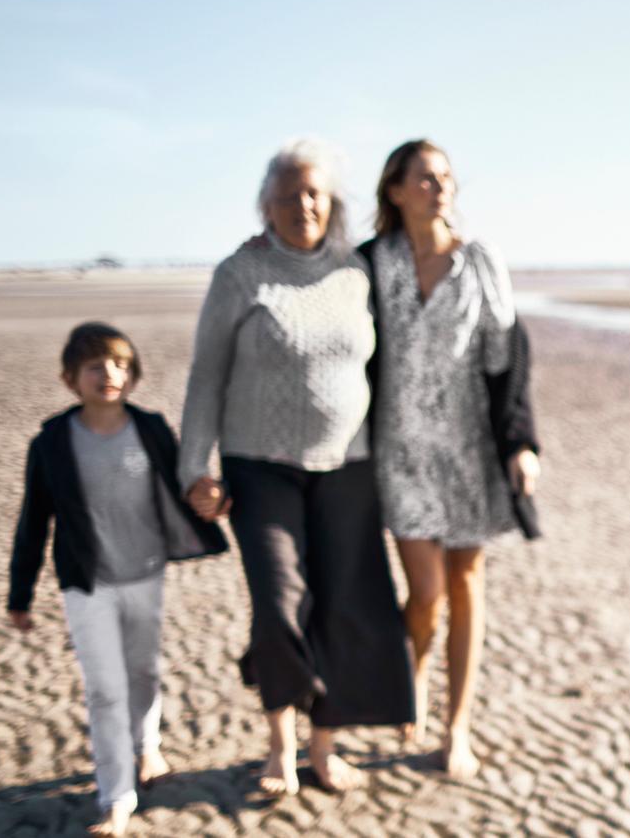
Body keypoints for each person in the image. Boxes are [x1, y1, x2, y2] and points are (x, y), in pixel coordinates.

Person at [179, 139, 414, 794]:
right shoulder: (239, 274)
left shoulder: (354, 271)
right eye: (289, 195)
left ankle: (321, 746)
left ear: (331, 202)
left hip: (349, 467)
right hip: (260, 466)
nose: (303, 205)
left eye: (314, 193)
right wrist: (195, 468)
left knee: (340, 606)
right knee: (281, 604)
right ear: (267, 205)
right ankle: (279, 743)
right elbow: (205, 379)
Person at [361, 139, 541, 780]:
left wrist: (521, 443)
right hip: (400, 450)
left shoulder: (480, 261)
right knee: (425, 593)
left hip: (469, 450)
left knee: (465, 585)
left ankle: (455, 726)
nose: (438, 187)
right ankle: (408, 678)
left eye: (444, 177)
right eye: (423, 177)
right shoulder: (371, 264)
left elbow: (509, 357)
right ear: (396, 191)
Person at [7, 322, 229, 836]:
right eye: (95, 366)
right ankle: (116, 798)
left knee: (143, 672)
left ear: (133, 376)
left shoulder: (149, 427)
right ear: (70, 379)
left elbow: (184, 485)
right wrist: (20, 594)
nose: (109, 374)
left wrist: (213, 499)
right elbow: (33, 520)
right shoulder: (52, 441)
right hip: (87, 583)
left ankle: (147, 747)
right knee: (106, 690)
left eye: (121, 365)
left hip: (146, 575)